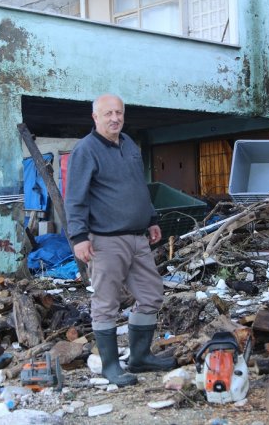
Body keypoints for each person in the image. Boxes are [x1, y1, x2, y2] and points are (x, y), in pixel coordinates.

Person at [64, 94, 175, 386]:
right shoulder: (85, 151)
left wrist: (151, 218)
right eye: (108, 114)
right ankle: (111, 366)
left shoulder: (129, 144)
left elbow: (139, 186)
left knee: (151, 294)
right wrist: (78, 237)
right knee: (106, 303)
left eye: (119, 113)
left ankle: (139, 358)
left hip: (138, 237)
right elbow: (74, 198)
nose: (115, 118)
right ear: (95, 118)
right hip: (105, 240)